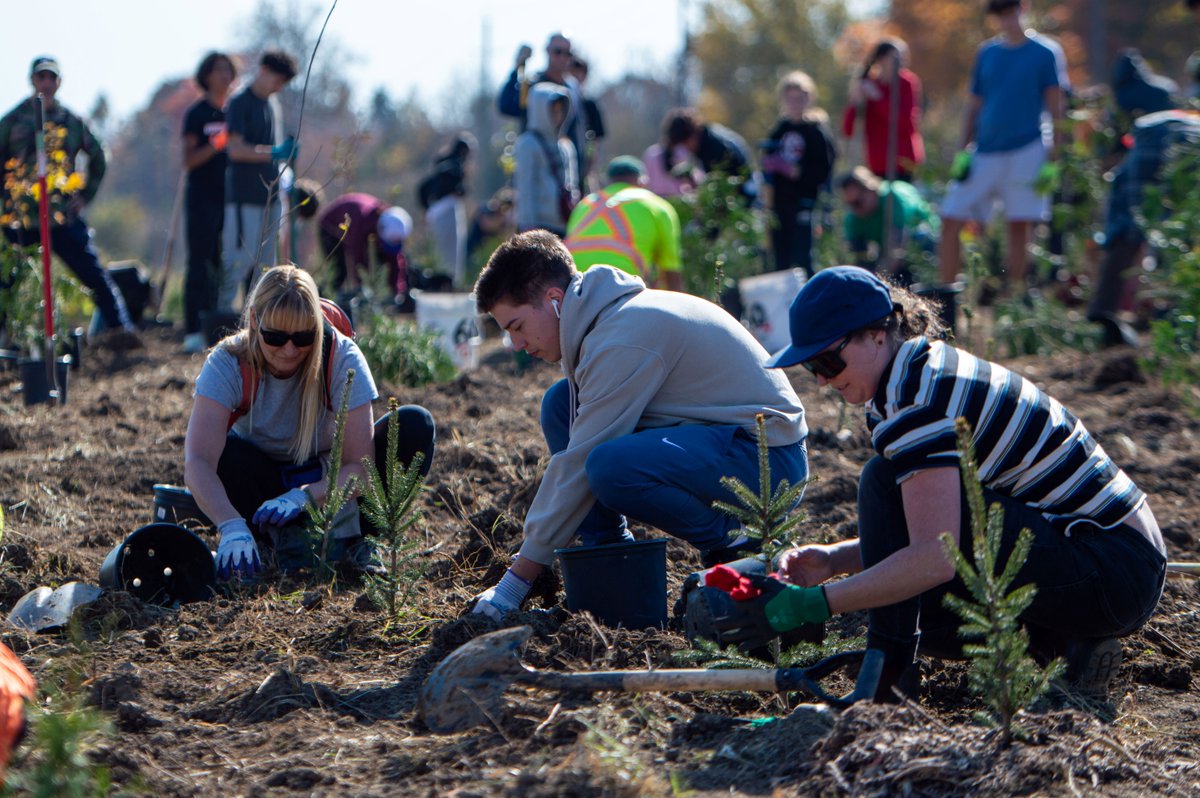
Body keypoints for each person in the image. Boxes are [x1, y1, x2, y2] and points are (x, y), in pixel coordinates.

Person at [728, 265, 1166, 700]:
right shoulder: (913, 373)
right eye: (810, 366)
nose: (822, 379)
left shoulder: (917, 400)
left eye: (827, 359)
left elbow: (934, 556)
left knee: (884, 490)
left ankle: (885, 682)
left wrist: (818, 603)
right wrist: (832, 560)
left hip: (1112, 569)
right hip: (1118, 564)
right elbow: (932, 529)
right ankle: (1066, 648)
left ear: (876, 333)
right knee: (925, 613)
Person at [469, 231, 808, 619]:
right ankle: (609, 557)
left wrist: (515, 583)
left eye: (516, 326)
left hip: (768, 460)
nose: (514, 343)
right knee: (562, 405)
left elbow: (579, 463)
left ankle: (738, 543)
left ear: (554, 301)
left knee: (608, 466)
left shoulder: (623, 338)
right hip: (722, 440)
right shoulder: (606, 321)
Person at [184, 265, 436, 578]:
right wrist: (230, 523)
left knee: (414, 425)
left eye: (303, 337)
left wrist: (304, 496)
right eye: (274, 337)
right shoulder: (229, 363)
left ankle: (363, 543)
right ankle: (259, 541)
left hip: (329, 482)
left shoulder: (342, 358)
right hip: (260, 486)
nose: (289, 350)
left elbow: (362, 470)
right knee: (228, 453)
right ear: (253, 322)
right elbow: (198, 461)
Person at [937, 0, 1068, 292]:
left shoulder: (1045, 52)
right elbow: (974, 105)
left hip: (1027, 149)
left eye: (1009, 12)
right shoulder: (987, 53)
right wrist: (962, 150)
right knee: (950, 217)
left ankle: (1014, 302)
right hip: (985, 151)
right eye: (999, 15)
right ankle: (947, 298)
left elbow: (1056, 107)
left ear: (1023, 9)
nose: (1005, 20)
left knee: (1019, 226)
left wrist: (1053, 159)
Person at [0, 56, 134, 334]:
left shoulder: (71, 122)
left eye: (52, 78)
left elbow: (98, 156)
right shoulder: (13, 121)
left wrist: (84, 195)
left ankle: (121, 332)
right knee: (7, 282)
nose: (47, 84)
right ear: (32, 80)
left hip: (61, 215)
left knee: (93, 275)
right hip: (22, 219)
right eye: (41, 78)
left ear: (59, 82)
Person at [1087, 109, 1200, 347]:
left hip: (1149, 144)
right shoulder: (1190, 127)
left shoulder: (1167, 122)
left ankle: (1101, 312)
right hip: (1187, 152)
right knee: (1184, 235)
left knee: (1129, 231)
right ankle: (1177, 315)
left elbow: (1119, 202)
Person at [218, 49, 299, 314]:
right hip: (244, 198)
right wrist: (272, 152)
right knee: (237, 262)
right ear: (264, 70)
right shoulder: (240, 102)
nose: (278, 88)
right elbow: (235, 149)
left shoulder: (271, 105)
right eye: (277, 81)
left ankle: (258, 321)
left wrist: (283, 158)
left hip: (270, 197)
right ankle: (224, 320)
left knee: (267, 269)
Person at [181, 52, 237, 355]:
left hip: (231, 199)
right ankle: (191, 329)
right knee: (199, 264)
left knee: (223, 264)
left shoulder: (236, 111)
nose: (224, 76)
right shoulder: (197, 114)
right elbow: (189, 160)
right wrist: (218, 143)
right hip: (202, 198)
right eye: (218, 70)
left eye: (228, 70)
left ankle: (218, 328)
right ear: (206, 75)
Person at [564, 155, 683, 291]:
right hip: (621, 285)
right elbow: (671, 271)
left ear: (609, 182)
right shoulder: (658, 206)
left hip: (574, 285)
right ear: (643, 181)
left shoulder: (585, 204)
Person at [498, 32, 599, 192]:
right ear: (547, 51)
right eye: (558, 52)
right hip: (538, 175)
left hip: (570, 176)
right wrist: (517, 68)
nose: (562, 58)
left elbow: (582, 131)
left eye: (568, 53)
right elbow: (506, 106)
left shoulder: (573, 88)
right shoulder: (533, 85)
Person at [761, 71, 837, 275]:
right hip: (779, 206)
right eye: (790, 98)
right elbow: (767, 171)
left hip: (805, 204)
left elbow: (823, 170)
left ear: (809, 98)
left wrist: (793, 171)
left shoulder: (816, 131)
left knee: (803, 259)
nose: (795, 103)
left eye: (800, 98)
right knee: (780, 261)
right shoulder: (779, 130)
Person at [841, 38, 925, 183]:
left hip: (904, 163)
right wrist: (856, 101)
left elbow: (906, 123)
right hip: (877, 164)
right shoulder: (869, 84)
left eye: (905, 57)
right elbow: (848, 129)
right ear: (881, 59)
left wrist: (878, 98)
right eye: (896, 57)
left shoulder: (907, 83)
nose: (902, 62)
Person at [836, 166, 939, 284]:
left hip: (918, 240)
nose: (855, 209)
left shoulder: (891, 201)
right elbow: (857, 257)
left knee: (922, 240)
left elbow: (896, 252)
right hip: (887, 247)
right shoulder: (853, 216)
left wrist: (875, 283)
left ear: (871, 190)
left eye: (858, 202)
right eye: (850, 204)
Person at [316, 192, 413, 310]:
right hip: (331, 226)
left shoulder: (386, 227)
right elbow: (358, 261)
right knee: (338, 273)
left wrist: (398, 292)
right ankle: (326, 304)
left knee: (382, 258)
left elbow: (395, 259)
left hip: (357, 227)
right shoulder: (362, 225)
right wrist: (363, 288)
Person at [514, 83, 578, 236]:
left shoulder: (566, 146)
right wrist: (528, 227)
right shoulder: (528, 143)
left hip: (564, 223)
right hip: (537, 226)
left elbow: (573, 185)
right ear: (540, 110)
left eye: (560, 111)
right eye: (552, 110)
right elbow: (525, 187)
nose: (557, 116)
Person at [662, 107, 758, 202]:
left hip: (744, 194)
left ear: (693, 135)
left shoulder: (717, 147)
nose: (686, 148)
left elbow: (726, 186)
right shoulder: (704, 141)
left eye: (685, 143)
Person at [418, 134, 474, 287]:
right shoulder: (452, 167)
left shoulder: (442, 163)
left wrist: (425, 208)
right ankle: (448, 280)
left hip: (436, 210)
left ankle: (442, 280)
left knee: (441, 247)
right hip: (447, 210)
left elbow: (424, 187)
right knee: (450, 249)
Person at [567, 54, 606, 189]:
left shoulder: (589, 105)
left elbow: (596, 139)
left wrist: (590, 164)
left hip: (585, 165)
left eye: (578, 74)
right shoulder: (559, 104)